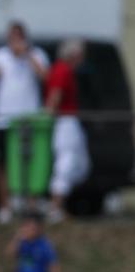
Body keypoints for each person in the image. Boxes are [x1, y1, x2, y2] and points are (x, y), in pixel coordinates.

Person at [0, 21, 49, 223]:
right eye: (12, 36)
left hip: (29, 120)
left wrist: (27, 54)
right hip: (3, 120)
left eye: (19, 36)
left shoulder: (37, 54)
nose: (15, 41)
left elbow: (45, 76)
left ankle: (31, 205)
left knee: (30, 162)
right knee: (1, 164)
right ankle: (6, 206)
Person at [44, 39, 91, 223]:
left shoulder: (64, 70)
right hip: (65, 122)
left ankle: (57, 203)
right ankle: (54, 207)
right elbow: (55, 96)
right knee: (67, 163)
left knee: (81, 165)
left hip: (70, 121)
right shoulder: (62, 70)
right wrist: (49, 115)